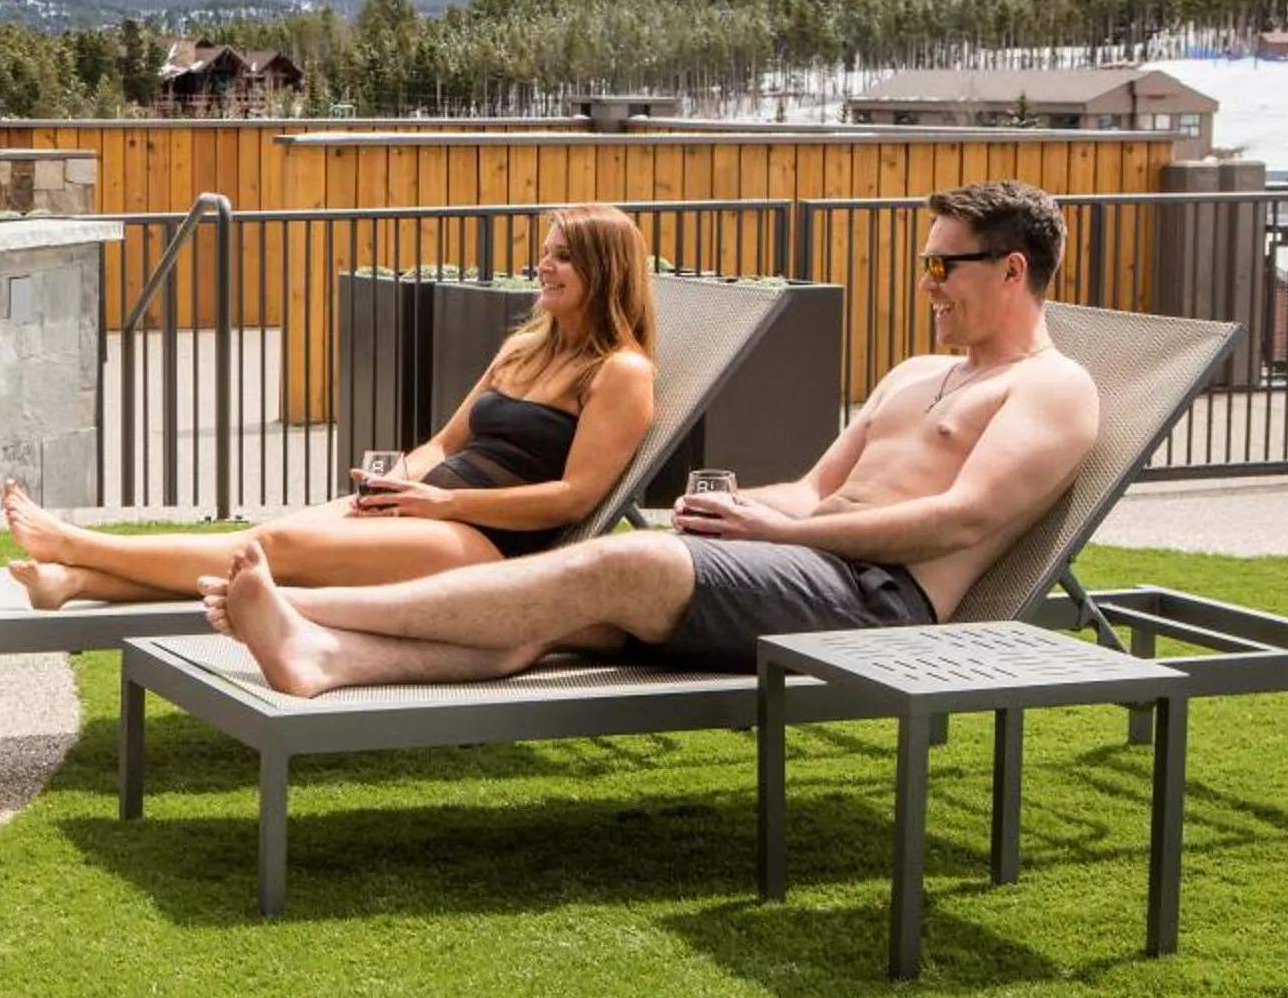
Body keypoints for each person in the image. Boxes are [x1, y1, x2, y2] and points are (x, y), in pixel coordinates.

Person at [204, 181, 1101, 695]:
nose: (927, 283)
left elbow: (957, 520)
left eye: (942, 265)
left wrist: (782, 530)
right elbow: (812, 489)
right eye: (924, 264)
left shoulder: (1052, 388)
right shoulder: (915, 373)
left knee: (617, 565)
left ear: (1011, 270)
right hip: (800, 564)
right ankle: (325, 659)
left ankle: (309, 611)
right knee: (555, 619)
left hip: (876, 600)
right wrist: (739, 509)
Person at [1, 203, 661, 608]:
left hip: (489, 548)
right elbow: (446, 443)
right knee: (265, 548)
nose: (544, 267)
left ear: (605, 270)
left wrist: (446, 503)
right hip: (427, 509)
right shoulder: (525, 348)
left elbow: (573, 499)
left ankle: (74, 544)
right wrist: (396, 482)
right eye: (544, 255)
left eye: (563, 258)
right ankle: (74, 583)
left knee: (272, 547)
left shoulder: (621, 372)